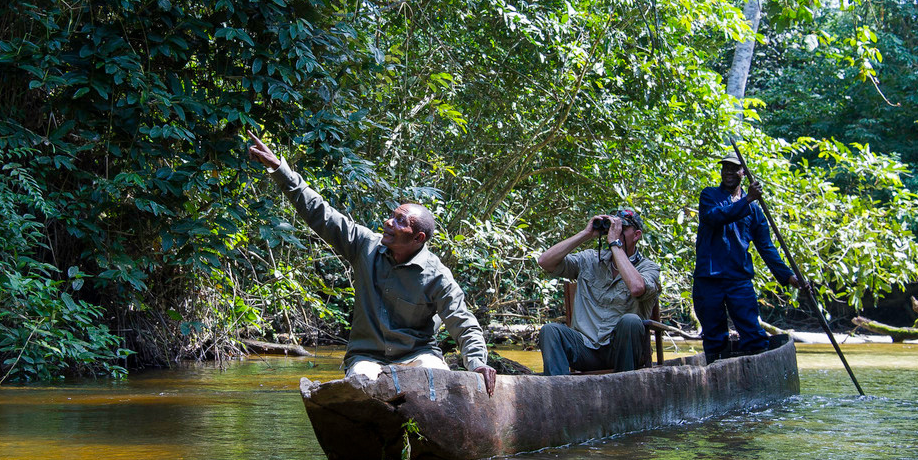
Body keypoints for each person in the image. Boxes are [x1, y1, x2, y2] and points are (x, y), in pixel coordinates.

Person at [247, 130, 497, 395]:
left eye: (401, 221)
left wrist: (478, 363)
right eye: (392, 216)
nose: (389, 223)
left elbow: (463, 322)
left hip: (418, 354)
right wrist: (279, 169)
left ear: (418, 237)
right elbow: (320, 212)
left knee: (436, 381)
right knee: (361, 386)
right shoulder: (365, 245)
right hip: (366, 356)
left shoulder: (437, 276)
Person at [693, 153, 803, 361]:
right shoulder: (709, 196)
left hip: (738, 279)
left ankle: (757, 377)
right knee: (714, 336)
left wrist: (789, 277)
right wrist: (748, 199)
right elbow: (715, 217)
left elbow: (766, 248)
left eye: (734, 168)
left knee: (753, 333)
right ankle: (716, 375)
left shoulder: (754, 211)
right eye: (725, 167)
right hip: (709, 277)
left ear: (743, 172)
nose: (728, 172)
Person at [534, 209, 660, 375]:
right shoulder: (590, 259)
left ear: (636, 235)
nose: (615, 232)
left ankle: (625, 390)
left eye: (622, 228)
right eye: (612, 227)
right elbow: (545, 262)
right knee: (550, 330)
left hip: (623, 352)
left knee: (630, 321)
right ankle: (558, 392)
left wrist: (615, 245)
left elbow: (637, 288)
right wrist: (585, 234)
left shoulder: (649, 267)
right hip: (586, 349)